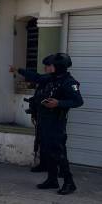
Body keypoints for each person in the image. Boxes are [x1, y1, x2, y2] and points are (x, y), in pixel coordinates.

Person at [30, 53, 83, 195]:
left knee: (58, 153)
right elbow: (37, 79)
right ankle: (52, 179)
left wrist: (59, 103)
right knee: (48, 152)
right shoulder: (51, 79)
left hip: (56, 123)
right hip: (44, 121)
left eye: (49, 66)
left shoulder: (68, 82)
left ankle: (69, 182)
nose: (47, 68)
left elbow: (78, 101)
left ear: (58, 67)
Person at [10, 55, 56, 173]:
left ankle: (57, 169)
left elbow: (36, 77)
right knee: (42, 141)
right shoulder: (47, 79)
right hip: (42, 115)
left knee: (53, 144)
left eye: (48, 66)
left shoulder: (54, 79)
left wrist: (19, 70)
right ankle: (44, 164)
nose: (46, 68)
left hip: (52, 118)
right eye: (45, 66)